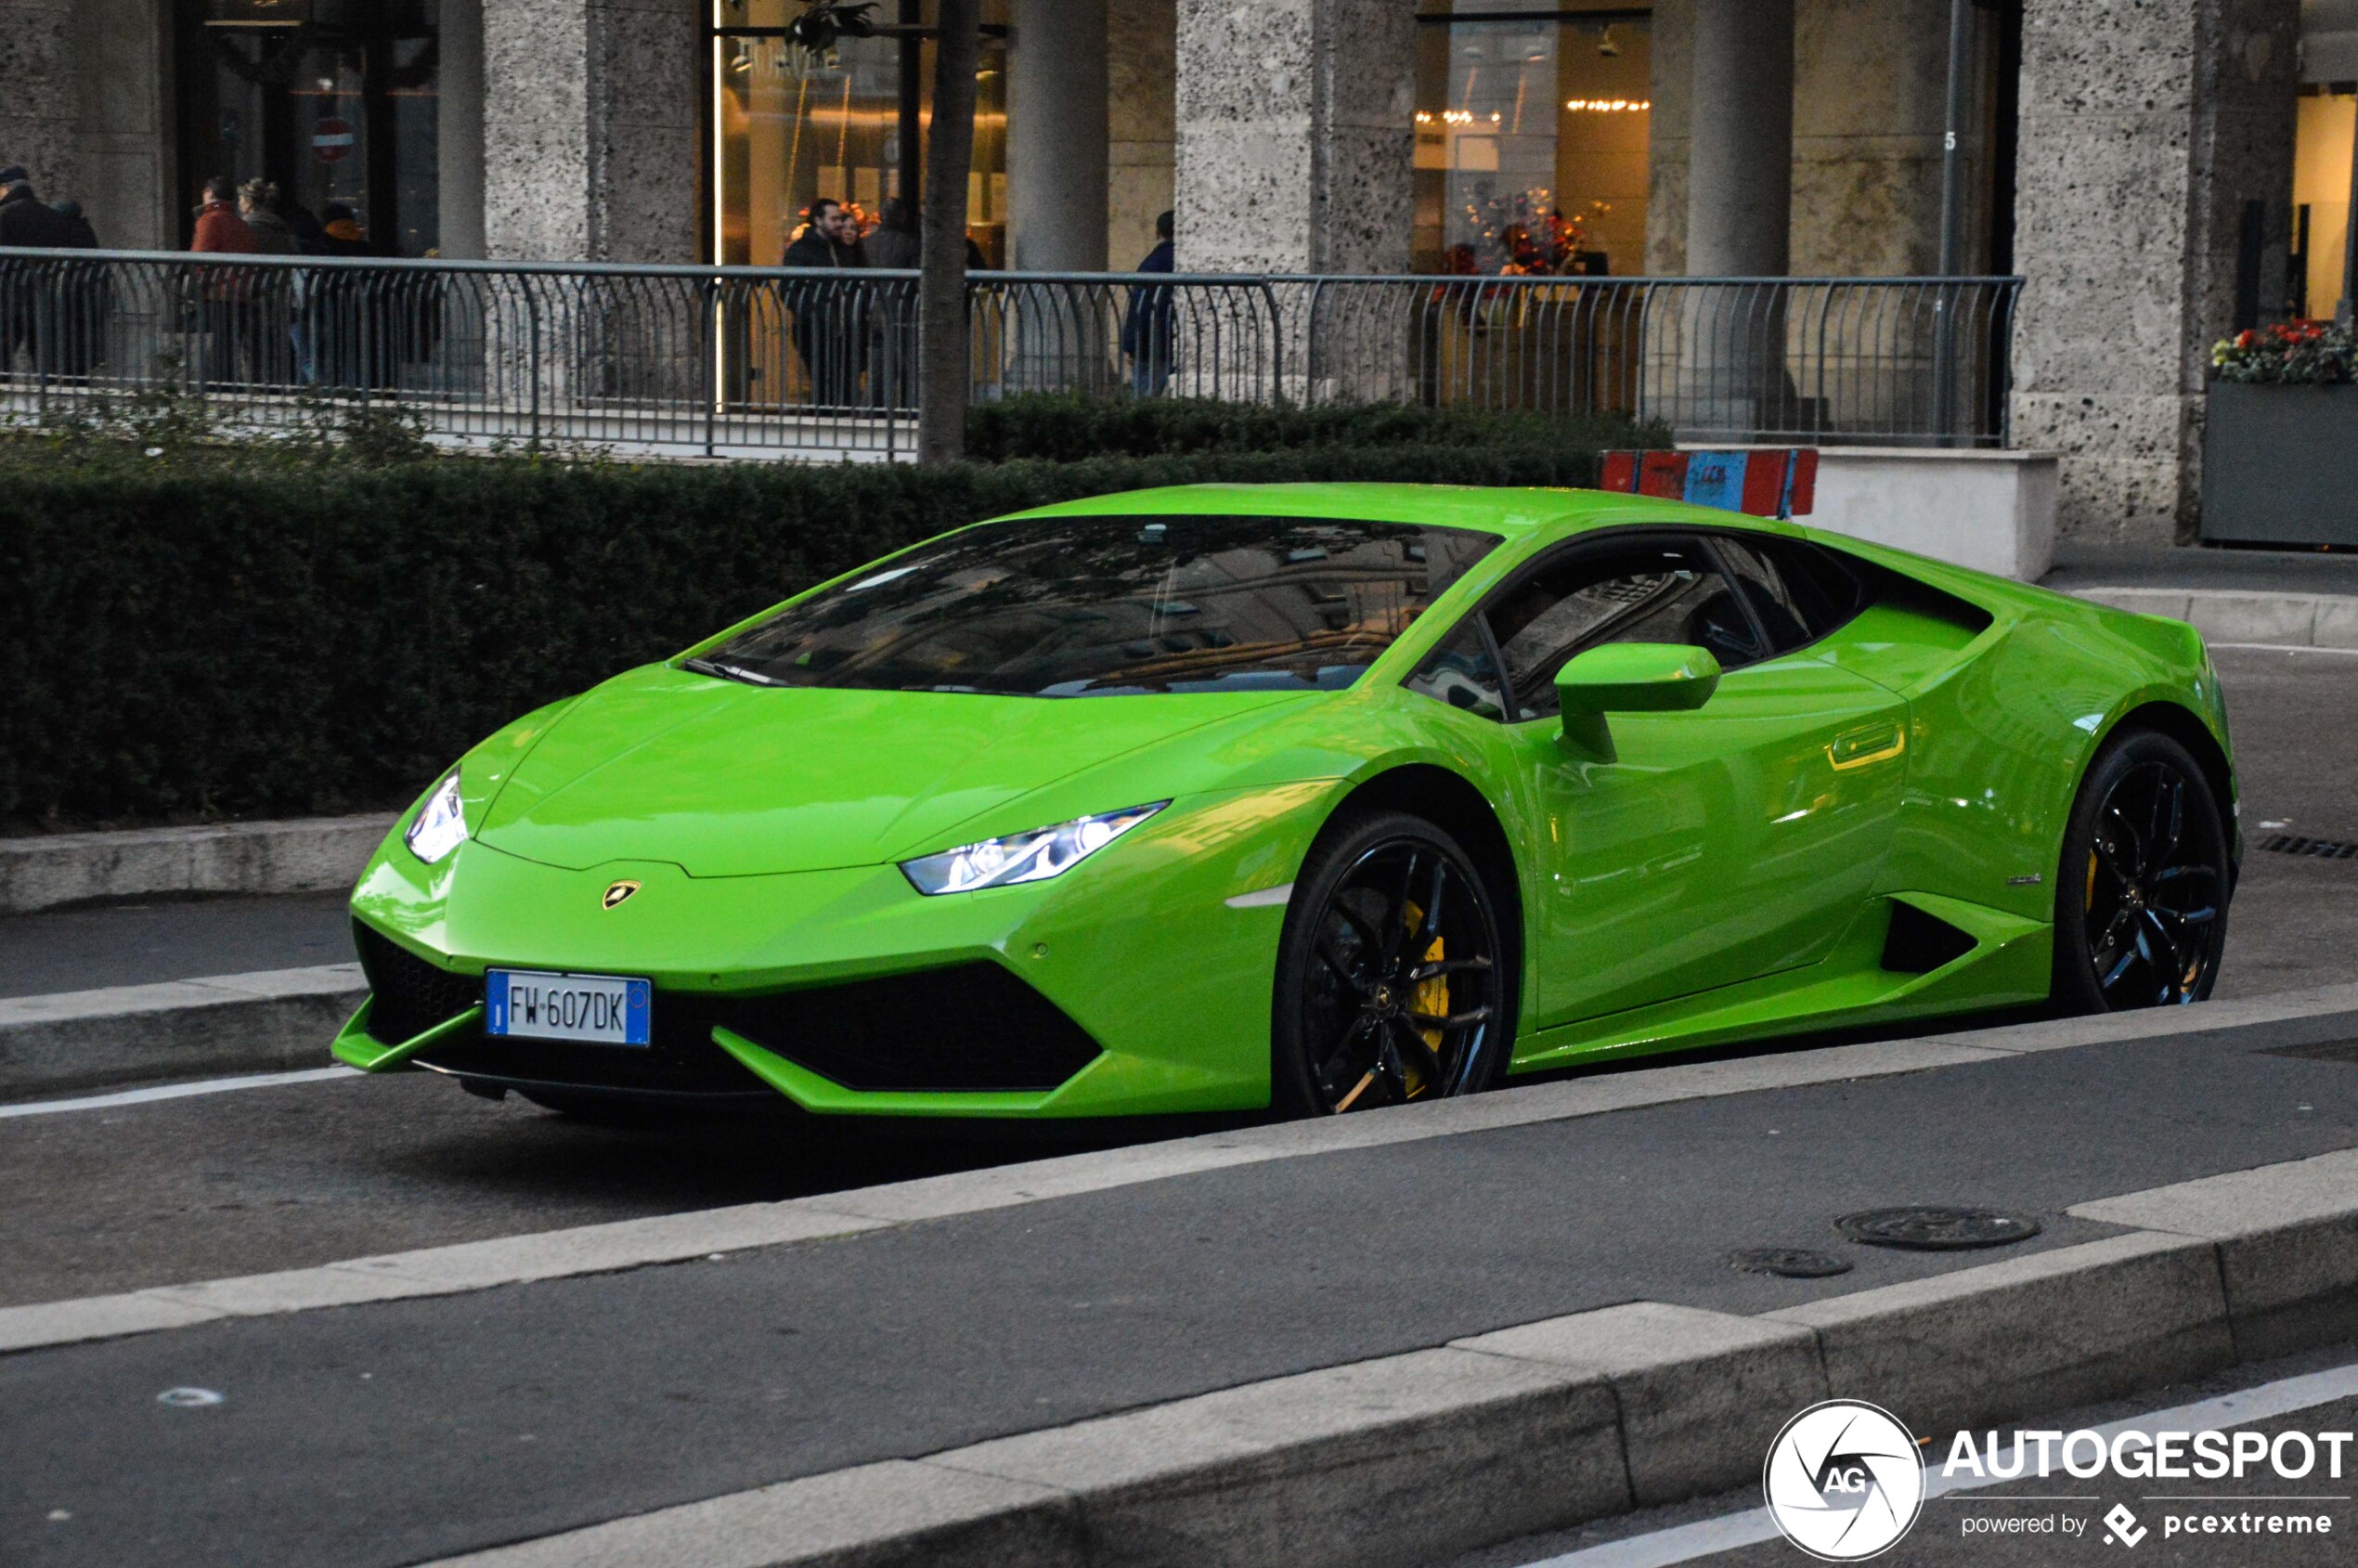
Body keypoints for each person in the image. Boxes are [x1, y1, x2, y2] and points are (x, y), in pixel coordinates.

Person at [0, 169, 100, 379]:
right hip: (48, 297)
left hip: (9, 298)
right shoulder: (53, 217)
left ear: (6, 188)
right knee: (48, 361)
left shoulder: (4, 216)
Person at [782, 198, 867, 408]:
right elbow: (788, 290)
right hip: (815, 329)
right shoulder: (801, 250)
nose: (839, 223)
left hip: (844, 329)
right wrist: (813, 314)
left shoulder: (843, 249)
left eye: (840, 218)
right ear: (818, 220)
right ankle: (824, 424)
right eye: (834, 219)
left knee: (845, 384)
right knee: (823, 382)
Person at [188, 175, 259, 388]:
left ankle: (216, 388)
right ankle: (227, 386)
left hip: (216, 294)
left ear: (210, 193)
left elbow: (200, 257)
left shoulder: (209, 220)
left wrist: (194, 286)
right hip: (240, 294)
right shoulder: (241, 224)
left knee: (216, 347)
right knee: (230, 346)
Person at [1121, 210, 1176, 397]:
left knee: (1144, 405)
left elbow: (1140, 307)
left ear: (1157, 233)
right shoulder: (1186, 260)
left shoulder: (1151, 264)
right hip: (1174, 343)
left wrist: (1131, 345)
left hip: (1149, 345)